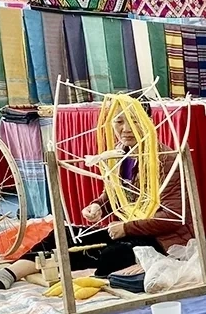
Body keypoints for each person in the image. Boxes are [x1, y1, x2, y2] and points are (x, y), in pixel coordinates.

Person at [29, 105, 194, 277]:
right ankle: (10, 273)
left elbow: (173, 217)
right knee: (60, 235)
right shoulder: (119, 153)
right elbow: (115, 196)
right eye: (119, 121)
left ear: (150, 122)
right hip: (130, 229)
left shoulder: (166, 160)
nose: (126, 129)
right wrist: (98, 206)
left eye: (135, 121)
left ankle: (58, 271)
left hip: (164, 238)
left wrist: (127, 228)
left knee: (110, 254)